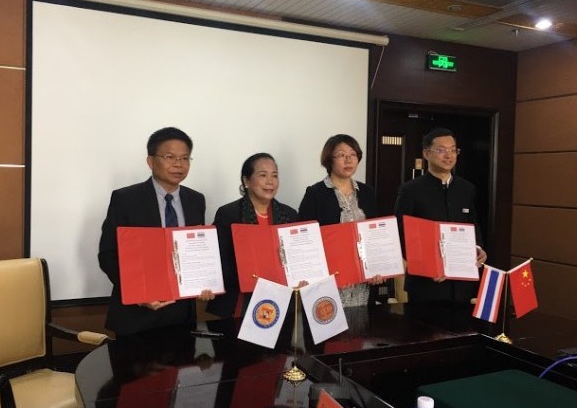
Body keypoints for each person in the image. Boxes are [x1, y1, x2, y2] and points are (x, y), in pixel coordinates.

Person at [98, 126, 214, 335]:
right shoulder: (126, 199)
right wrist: (137, 293)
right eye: (170, 157)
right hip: (136, 316)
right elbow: (107, 255)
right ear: (151, 161)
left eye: (185, 158)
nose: (178, 164)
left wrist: (204, 283)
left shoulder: (196, 200)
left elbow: (195, 252)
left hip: (181, 316)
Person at [394, 127, 487, 305]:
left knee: (463, 331)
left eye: (453, 150)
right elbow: (401, 234)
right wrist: (428, 267)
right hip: (425, 286)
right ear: (426, 154)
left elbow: (473, 225)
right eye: (441, 150)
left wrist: (478, 248)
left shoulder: (466, 189)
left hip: (461, 284)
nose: (449, 155)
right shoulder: (411, 190)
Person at [298, 134, 385, 308]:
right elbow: (305, 242)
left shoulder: (367, 192)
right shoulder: (315, 193)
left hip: (363, 283)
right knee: (331, 332)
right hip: (329, 283)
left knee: (363, 331)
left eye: (353, 155)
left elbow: (376, 236)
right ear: (329, 159)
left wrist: (379, 268)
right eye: (341, 155)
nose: (348, 160)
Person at [207, 153, 298, 318]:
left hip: (281, 304)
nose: (270, 181)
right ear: (246, 181)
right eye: (263, 175)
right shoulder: (228, 214)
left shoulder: (290, 215)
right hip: (238, 304)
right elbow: (219, 261)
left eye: (275, 175)